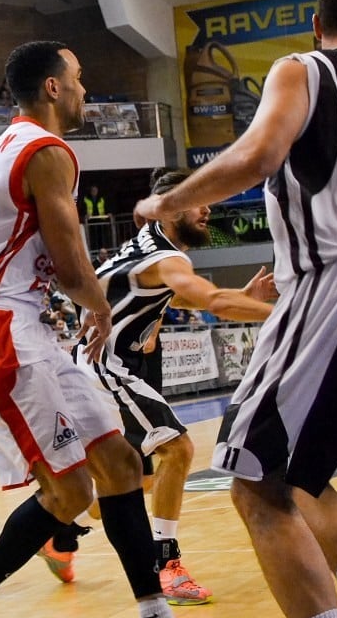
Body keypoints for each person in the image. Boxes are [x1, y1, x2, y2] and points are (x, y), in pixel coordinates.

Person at [0, 39, 250, 618]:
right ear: (50, 87)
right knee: (70, 493)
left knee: (123, 466)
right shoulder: (46, 151)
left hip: (23, 322)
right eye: (77, 76)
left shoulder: (8, 146)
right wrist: (99, 309)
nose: (84, 86)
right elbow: (72, 265)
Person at [133, 0, 337, 618]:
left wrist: (167, 203)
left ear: (320, 23)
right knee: (312, 471)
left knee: (257, 481)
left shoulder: (304, 69)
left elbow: (259, 154)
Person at [48, 168, 276, 596]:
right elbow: (210, 300)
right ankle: (166, 564)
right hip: (104, 366)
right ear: (171, 210)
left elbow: (193, 297)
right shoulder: (163, 257)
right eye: (200, 200)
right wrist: (289, 315)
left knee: (132, 479)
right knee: (178, 448)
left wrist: (244, 298)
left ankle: (60, 529)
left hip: (98, 365)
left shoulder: (152, 249)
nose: (209, 208)